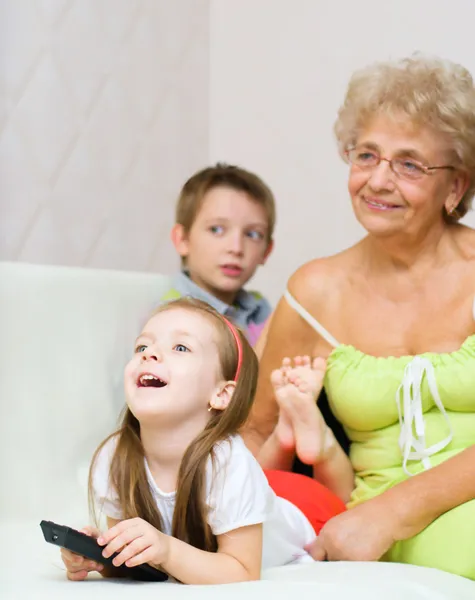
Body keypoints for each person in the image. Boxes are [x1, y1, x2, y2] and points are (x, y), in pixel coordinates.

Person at [244, 54, 475, 580]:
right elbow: (252, 430)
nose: (378, 180)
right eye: (366, 155)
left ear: (455, 188)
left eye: (410, 164)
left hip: (396, 520)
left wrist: (396, 512)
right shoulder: (315, 291)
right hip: (367, 531)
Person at [60, 298, 345, 585]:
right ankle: (284, 437)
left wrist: (167, 549)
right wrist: (104, 556)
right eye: (142, 347)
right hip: (253, 492)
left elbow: (242, 571)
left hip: (307, 507)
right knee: (257, 480)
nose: (150, 355)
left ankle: (315, 442)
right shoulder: (114, 456)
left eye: (180, 348)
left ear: (221, 394)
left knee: (340, 509)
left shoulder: (227, 463)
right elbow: (136, 561)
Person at [161, 163, 276, 346]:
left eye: (253, 234)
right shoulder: (170, 315)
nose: (236, 248)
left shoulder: (258, 309)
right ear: (182, 240)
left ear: (267, 251)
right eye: (216, 229)